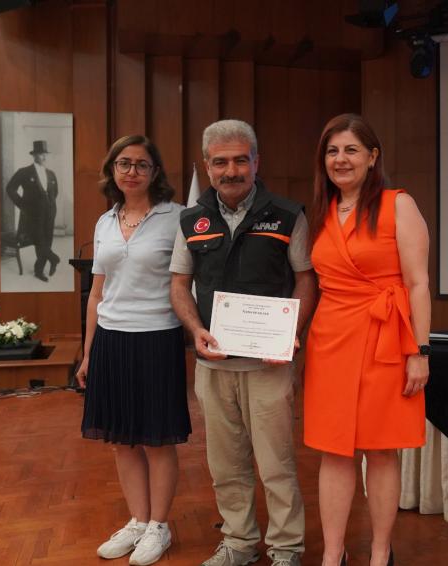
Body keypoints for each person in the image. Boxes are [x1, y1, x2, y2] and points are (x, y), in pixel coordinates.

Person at [169, 119, 316, 566]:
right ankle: (238, 542)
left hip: (268, 366)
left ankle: (286, 548)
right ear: (206, 166)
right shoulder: (191, 220)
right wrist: (195, 329)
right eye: (220, 162)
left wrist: (291, 333)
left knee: (276, 465)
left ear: (256, 162)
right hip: (213, 367)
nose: (230, 171)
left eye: (240, 160)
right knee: (225, 465)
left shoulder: (287, 214)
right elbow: (179, 285)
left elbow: (306, 280)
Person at [303, 114, 431, 566]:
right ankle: (332, 554)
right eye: (332, 151)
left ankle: (380, 553)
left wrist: (419, 351)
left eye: (351, 150)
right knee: (333, 450)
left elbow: (418, 284)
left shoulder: (399, 205)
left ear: (373, 157)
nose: (341, 159)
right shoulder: (319, 212)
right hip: (330, 341)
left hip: (385, 339)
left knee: (381, 449)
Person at [77, 135, 191, 566]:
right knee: (122, 440)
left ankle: (159, 525)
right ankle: (138, 521)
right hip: (111, 339)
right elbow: (96, 293)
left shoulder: (176, 218)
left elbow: (185, 282)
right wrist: (88, 353)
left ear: (155, 172)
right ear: (112, 169)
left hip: (157, 338)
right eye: (124, 163)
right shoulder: (105, 221)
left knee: (157, 439)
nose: (132, 171)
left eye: (142, 164)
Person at [5, 140, 61, 282]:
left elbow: (55, 192)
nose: (44, 157)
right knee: (39, 240)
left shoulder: (51, 174)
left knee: (47, 240)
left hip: (50, 213)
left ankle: (39, 269)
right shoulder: (24, 172)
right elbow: (10, 188)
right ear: (34, 155)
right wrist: (22, 204)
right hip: (32, 215)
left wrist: (49, 205)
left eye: (45, 154)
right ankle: (53, 259)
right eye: (41, 154)